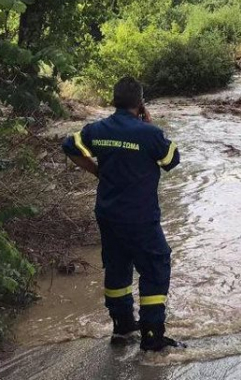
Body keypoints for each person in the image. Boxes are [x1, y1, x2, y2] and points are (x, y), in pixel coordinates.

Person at [62, 77, 185, 352]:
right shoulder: (148, 133)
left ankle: (122, 326)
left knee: (117, 267)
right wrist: (150, 127)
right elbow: (171, 160)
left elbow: (69, 147)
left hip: (108, 214)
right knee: (155, 267)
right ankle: (152, 335)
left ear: (113, 100)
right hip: (140, 217)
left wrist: (96, 170)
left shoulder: (98, 129)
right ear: (140, 103)